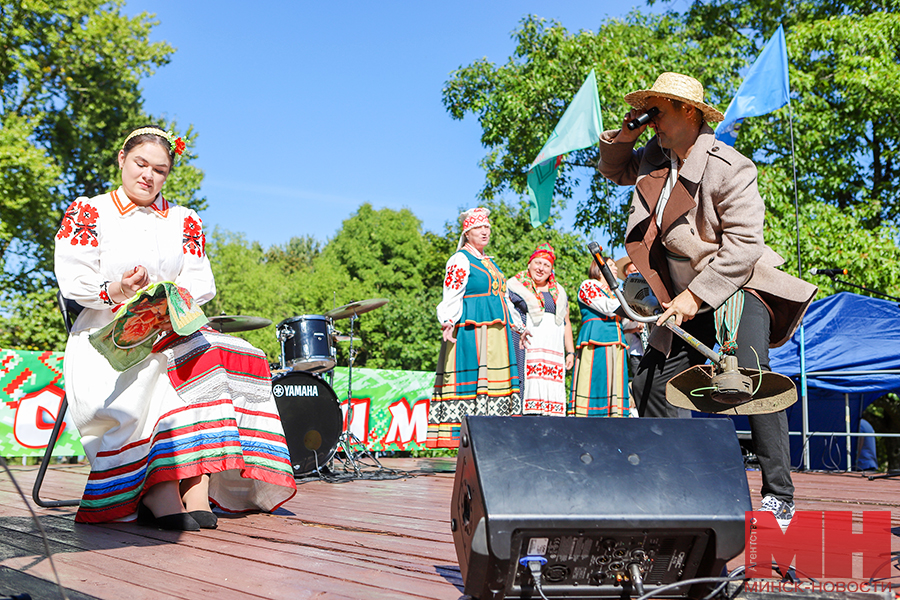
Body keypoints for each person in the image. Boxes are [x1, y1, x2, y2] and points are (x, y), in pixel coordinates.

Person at [597, 72, 817, 528]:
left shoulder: (729, 165)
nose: (653, 118)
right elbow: (612, 168)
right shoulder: (653, 156)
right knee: (651, 384)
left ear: (689, 113)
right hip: (681, 299)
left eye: (660, 110)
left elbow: (743, 247)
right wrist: (627, 131)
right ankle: (675, 484)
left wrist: (696, 296)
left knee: (752, 380)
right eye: (649, 109)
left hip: (734, 285)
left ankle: (779, 495)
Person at [54, 126, 297, 531]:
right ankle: (158, 486)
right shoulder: (91, 210)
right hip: (107, 332)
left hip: (171, 325)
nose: (148, 176)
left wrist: (168, 298)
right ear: (121, 159)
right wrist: (119, 289)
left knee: (233, 353)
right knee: (162, 361)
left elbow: (202, 283)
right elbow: (73, 282)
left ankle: (196, 480)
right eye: (141, 164)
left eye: (160, 170)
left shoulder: (185, 219)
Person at [428, 208, 525, 447]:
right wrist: (448, 320)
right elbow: (451, 295)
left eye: (487, 227)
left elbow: (503, 298)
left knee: (494, 383)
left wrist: (519, 327)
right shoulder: (460, 259)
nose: (485, 231)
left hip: (496, 334)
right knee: (474, 382)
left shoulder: (489, 263)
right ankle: (469, 442)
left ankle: (490, 440)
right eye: (479, 227)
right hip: (473, 331)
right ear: (467, 232)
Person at [508, 243, 575, 417]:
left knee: (551, 393)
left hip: (553, 350)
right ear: (529, 264)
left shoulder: (559, 291)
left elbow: (566, 322)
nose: (541, 268)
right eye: (538, 263)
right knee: (527, 388)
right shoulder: (515, 286)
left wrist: (571, 352)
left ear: (551, 269)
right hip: (527, 347)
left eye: (546, 265)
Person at [568, 256, 631, 417]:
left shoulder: (615, 293)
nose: (615, 268)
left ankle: (614, 415)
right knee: (595, 378)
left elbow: (625, 318)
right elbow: (608, 307)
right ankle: (592, 415)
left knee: (615, 379)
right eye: (610, 265)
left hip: (616, 339)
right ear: (598, 267)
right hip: (597, 338)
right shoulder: (589, 285)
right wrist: (635, 306)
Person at [615, 255, 646, 382]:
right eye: (633, 271)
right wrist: (635, 327)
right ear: (625, 273)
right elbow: (619, 324)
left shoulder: (648, 292)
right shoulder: (620, 295)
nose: (636, 273)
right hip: (634, 349)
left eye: (638, 270)